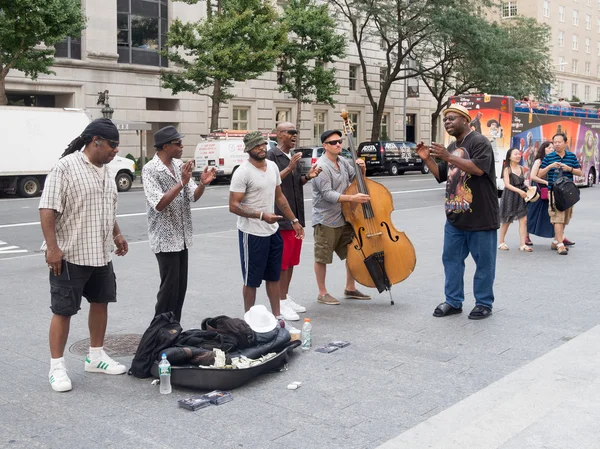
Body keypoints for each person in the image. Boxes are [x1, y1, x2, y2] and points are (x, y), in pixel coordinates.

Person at [39, 118, 129, 392]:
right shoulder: (65, 168)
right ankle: (57, 367)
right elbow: (47, 209)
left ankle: (96, 355)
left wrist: (117, 234)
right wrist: (53, 248)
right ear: (95, 142)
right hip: (71, 254)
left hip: (100, 252)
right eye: (112, 145)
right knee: (63, 311)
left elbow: (106, 206)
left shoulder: (107, 170)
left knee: (101, 302)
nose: (116, 151)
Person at [416, 104, 499, 320]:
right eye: (445, 120)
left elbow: (478, 169)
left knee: (484, 263)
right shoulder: (452, 146)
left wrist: (448, 156)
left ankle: (483, 303)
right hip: (455, 217)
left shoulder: (479, 142)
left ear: (465, 120)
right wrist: (428, 159)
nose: (447, 122)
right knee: (451, 260)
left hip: (480, 216)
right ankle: (453, 301)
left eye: (452, 118)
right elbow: (441, 175)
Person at [142, 126, 216, 323]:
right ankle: (158, 332)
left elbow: (193, 196)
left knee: (180, 289)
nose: (182, 146)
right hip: (165, 239)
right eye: (178, 143)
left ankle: (174, 329)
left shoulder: (178, 165)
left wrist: (202, 184)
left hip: (182, 238)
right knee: (168, 290)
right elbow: (159, 204)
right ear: (166, 146)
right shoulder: (150, 169)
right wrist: (182, 183)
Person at [229, 131, 304, 321]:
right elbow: (233, 205)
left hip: (273, 231)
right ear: (248, 150)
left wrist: (294, 221)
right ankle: (249, 320)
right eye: (256, 146)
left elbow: (279, 197)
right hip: (251, 233)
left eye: (263, 144)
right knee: (251, 281)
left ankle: (277, 317)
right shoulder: (242, 172)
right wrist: (261, 215)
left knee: (273, 277)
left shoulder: (271, 167)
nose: (262, 148)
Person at [266, 122, 321, 321]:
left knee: (291, 261)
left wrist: (308, 176)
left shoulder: (293, 156)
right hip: (282, 217)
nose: (294, 135)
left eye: (296, 132)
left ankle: (285, 297)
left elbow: (295, 182)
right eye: (290, 132)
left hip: (296, 215)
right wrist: (289, 167)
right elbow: (271, 181)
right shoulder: (272, 156)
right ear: (279, 135)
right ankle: (279, 302)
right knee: (282, 261)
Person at [312, 130, 371, 305]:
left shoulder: (343, 161)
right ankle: (322, 292)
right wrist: (352, 198)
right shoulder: (321, 166)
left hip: (345, 216)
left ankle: (350, 288)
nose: (338, 144)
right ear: (325, 146)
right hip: (326, 218)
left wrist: (362, 169)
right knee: (322, 257)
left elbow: (356, 180)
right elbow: (327, 194)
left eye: (339, 141)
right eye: (333, 142)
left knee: (354, 251)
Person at [538, 133, 582, 255]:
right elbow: (540, 174)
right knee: (558, 217)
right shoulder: (549, 157)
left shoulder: (572, 157)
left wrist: (569, 169)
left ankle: (556, 241)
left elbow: (580, 173)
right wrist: (550, 166)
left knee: (566, 218)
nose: (556, 144)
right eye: (554, 142)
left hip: (568, 192)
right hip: (554, 191)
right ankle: (561, 245)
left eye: (559, 142)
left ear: (565, 143)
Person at [497, 149, 530, 252]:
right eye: (515, 154)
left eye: (519, 154)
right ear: (509, 156)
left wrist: (528, 187)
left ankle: (522, 244)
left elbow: (523, 182)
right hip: (509, 196)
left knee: (523, 220)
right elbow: (507, 185)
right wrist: (519, 191)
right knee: (507, 221)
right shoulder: (507, 169)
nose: (518, 155)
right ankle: (501, 242)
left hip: (521, 196)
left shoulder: (521, 168)